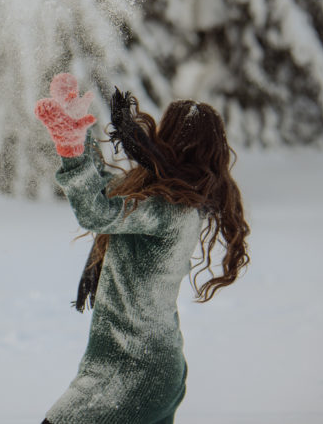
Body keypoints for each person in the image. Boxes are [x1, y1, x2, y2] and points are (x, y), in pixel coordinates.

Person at [34, 73, 250, 424]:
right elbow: (105, 190)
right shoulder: (164, 201)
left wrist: (72, 150)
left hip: (133, 373)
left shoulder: (171, 211)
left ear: (167, 139)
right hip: (141, 369)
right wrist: (80, 136)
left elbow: (97, 212)